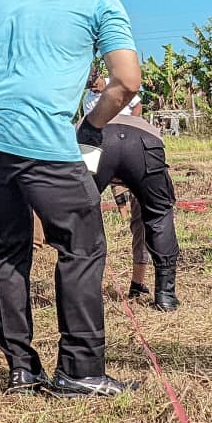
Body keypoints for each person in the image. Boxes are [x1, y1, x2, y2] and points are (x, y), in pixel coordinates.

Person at [0, 0, 142, 398]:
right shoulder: (100, 0)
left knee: (9, 248)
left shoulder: (2, 1)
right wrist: (91, 126)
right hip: (40, 131)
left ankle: (22, 369)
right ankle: (80, 370)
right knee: (80, 244)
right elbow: (126, 81)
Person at [84, 113, 180, 311]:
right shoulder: (139, 119)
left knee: (81, 213)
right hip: (145, 141)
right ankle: (166, 296)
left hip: (95, 140)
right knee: (159, 214)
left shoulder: (84, 121)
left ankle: (84, 295)